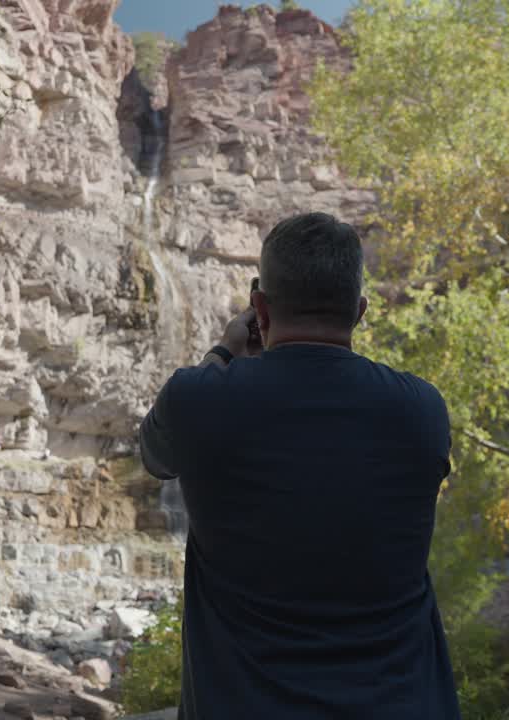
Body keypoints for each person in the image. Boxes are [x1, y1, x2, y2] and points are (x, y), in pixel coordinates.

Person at [139, 212, 460, 719]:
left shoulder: (199, 400)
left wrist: (224, 352)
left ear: (260, 309)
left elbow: (155, 456)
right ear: (359, 312)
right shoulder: (422, 410)